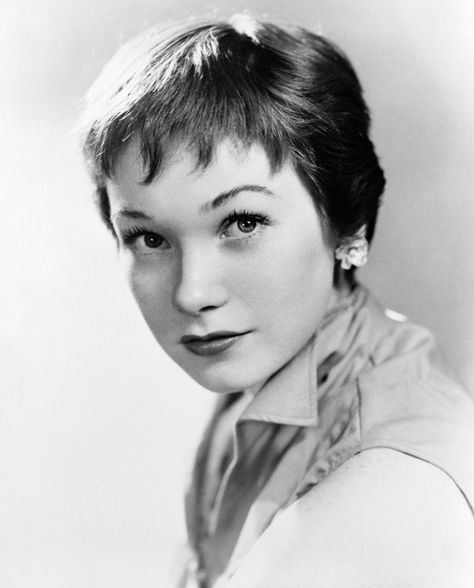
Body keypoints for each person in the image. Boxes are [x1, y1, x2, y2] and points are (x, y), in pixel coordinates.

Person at [80, 14, 474, 587]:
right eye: (150, 238)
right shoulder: (268, 380)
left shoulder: (389, 484)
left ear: (350, 225)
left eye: (242, 222)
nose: (193, 292)